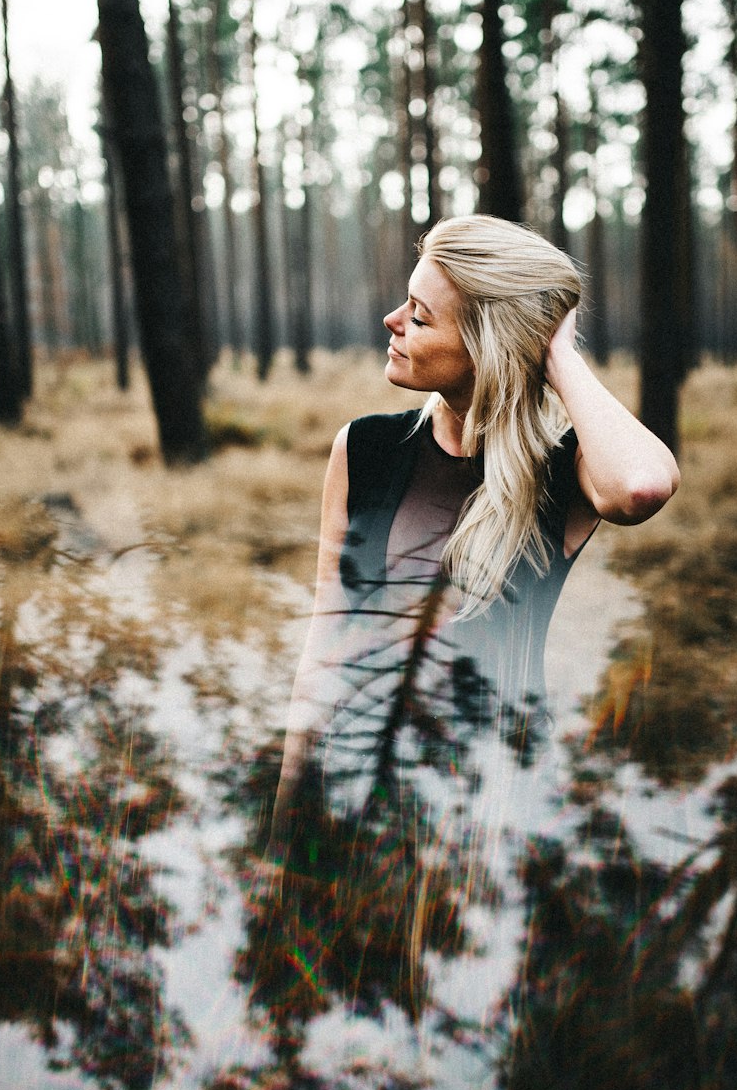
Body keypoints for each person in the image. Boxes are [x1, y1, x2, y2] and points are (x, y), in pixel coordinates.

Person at [272, 215, 679, 832]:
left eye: (419, 314)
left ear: (486, 347)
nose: (392, 320)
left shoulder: (560, 474)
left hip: (497, 815)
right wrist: (287, 818)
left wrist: (558, 357)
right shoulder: (363, 450)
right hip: (361, 793)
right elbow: (322, 649)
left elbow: (642, 486)